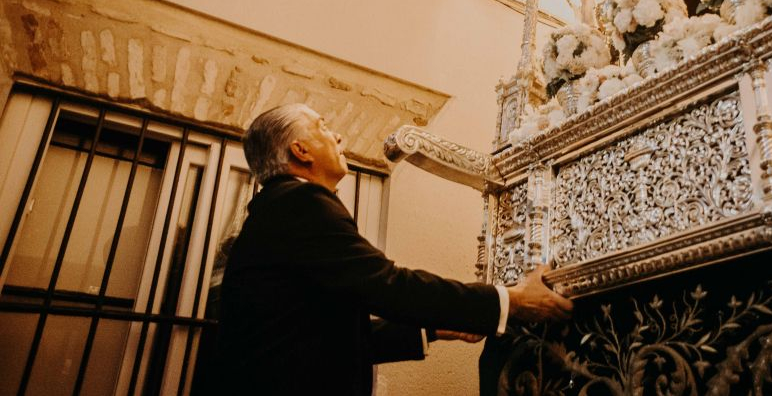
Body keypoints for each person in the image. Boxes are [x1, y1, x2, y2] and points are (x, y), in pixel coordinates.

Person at [213, 103, 573, 395]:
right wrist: (509, 300)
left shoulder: (278, 208)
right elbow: (387, 284)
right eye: (322, 127)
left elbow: (326, 339)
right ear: (300, 150)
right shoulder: (301, 203)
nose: (337, 135)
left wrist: (432, 328)